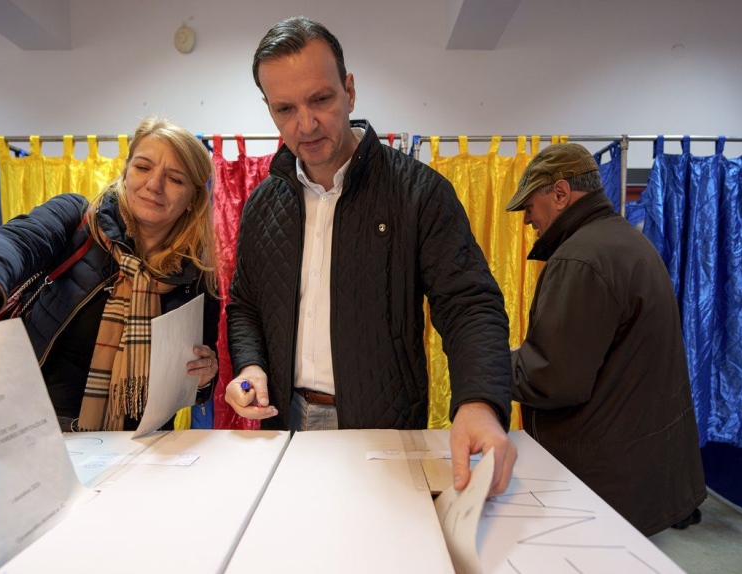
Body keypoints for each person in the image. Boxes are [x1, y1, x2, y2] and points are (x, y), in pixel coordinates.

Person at [224, 16, 516, 494]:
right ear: (269, 110)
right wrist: (252, 366)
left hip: (385, 431)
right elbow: (246, 305)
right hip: (285, 423)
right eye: (285, 109)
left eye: (321, 99)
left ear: (350, 91)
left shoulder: (418, 193)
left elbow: (469, 304)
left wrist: (480, 403)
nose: (306, 123)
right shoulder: (263, 204)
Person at [0, 116, 221, 433]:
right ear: (126, 172)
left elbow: (192, 383)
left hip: (139, 449)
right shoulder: (76, 220)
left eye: (175, 179)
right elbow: (16, 241)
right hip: (39, 436)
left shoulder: (197, 277)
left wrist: (204, 377)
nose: (154, 185)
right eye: (143, 167)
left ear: (192, 199)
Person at [506, 142, 706, 535]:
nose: (527, 218)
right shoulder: (626, 242)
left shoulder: (580, 259)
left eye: (530, 204)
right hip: (636, 471)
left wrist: (489, 360)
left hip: (601, 483)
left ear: (560, 194)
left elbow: (553, 379)